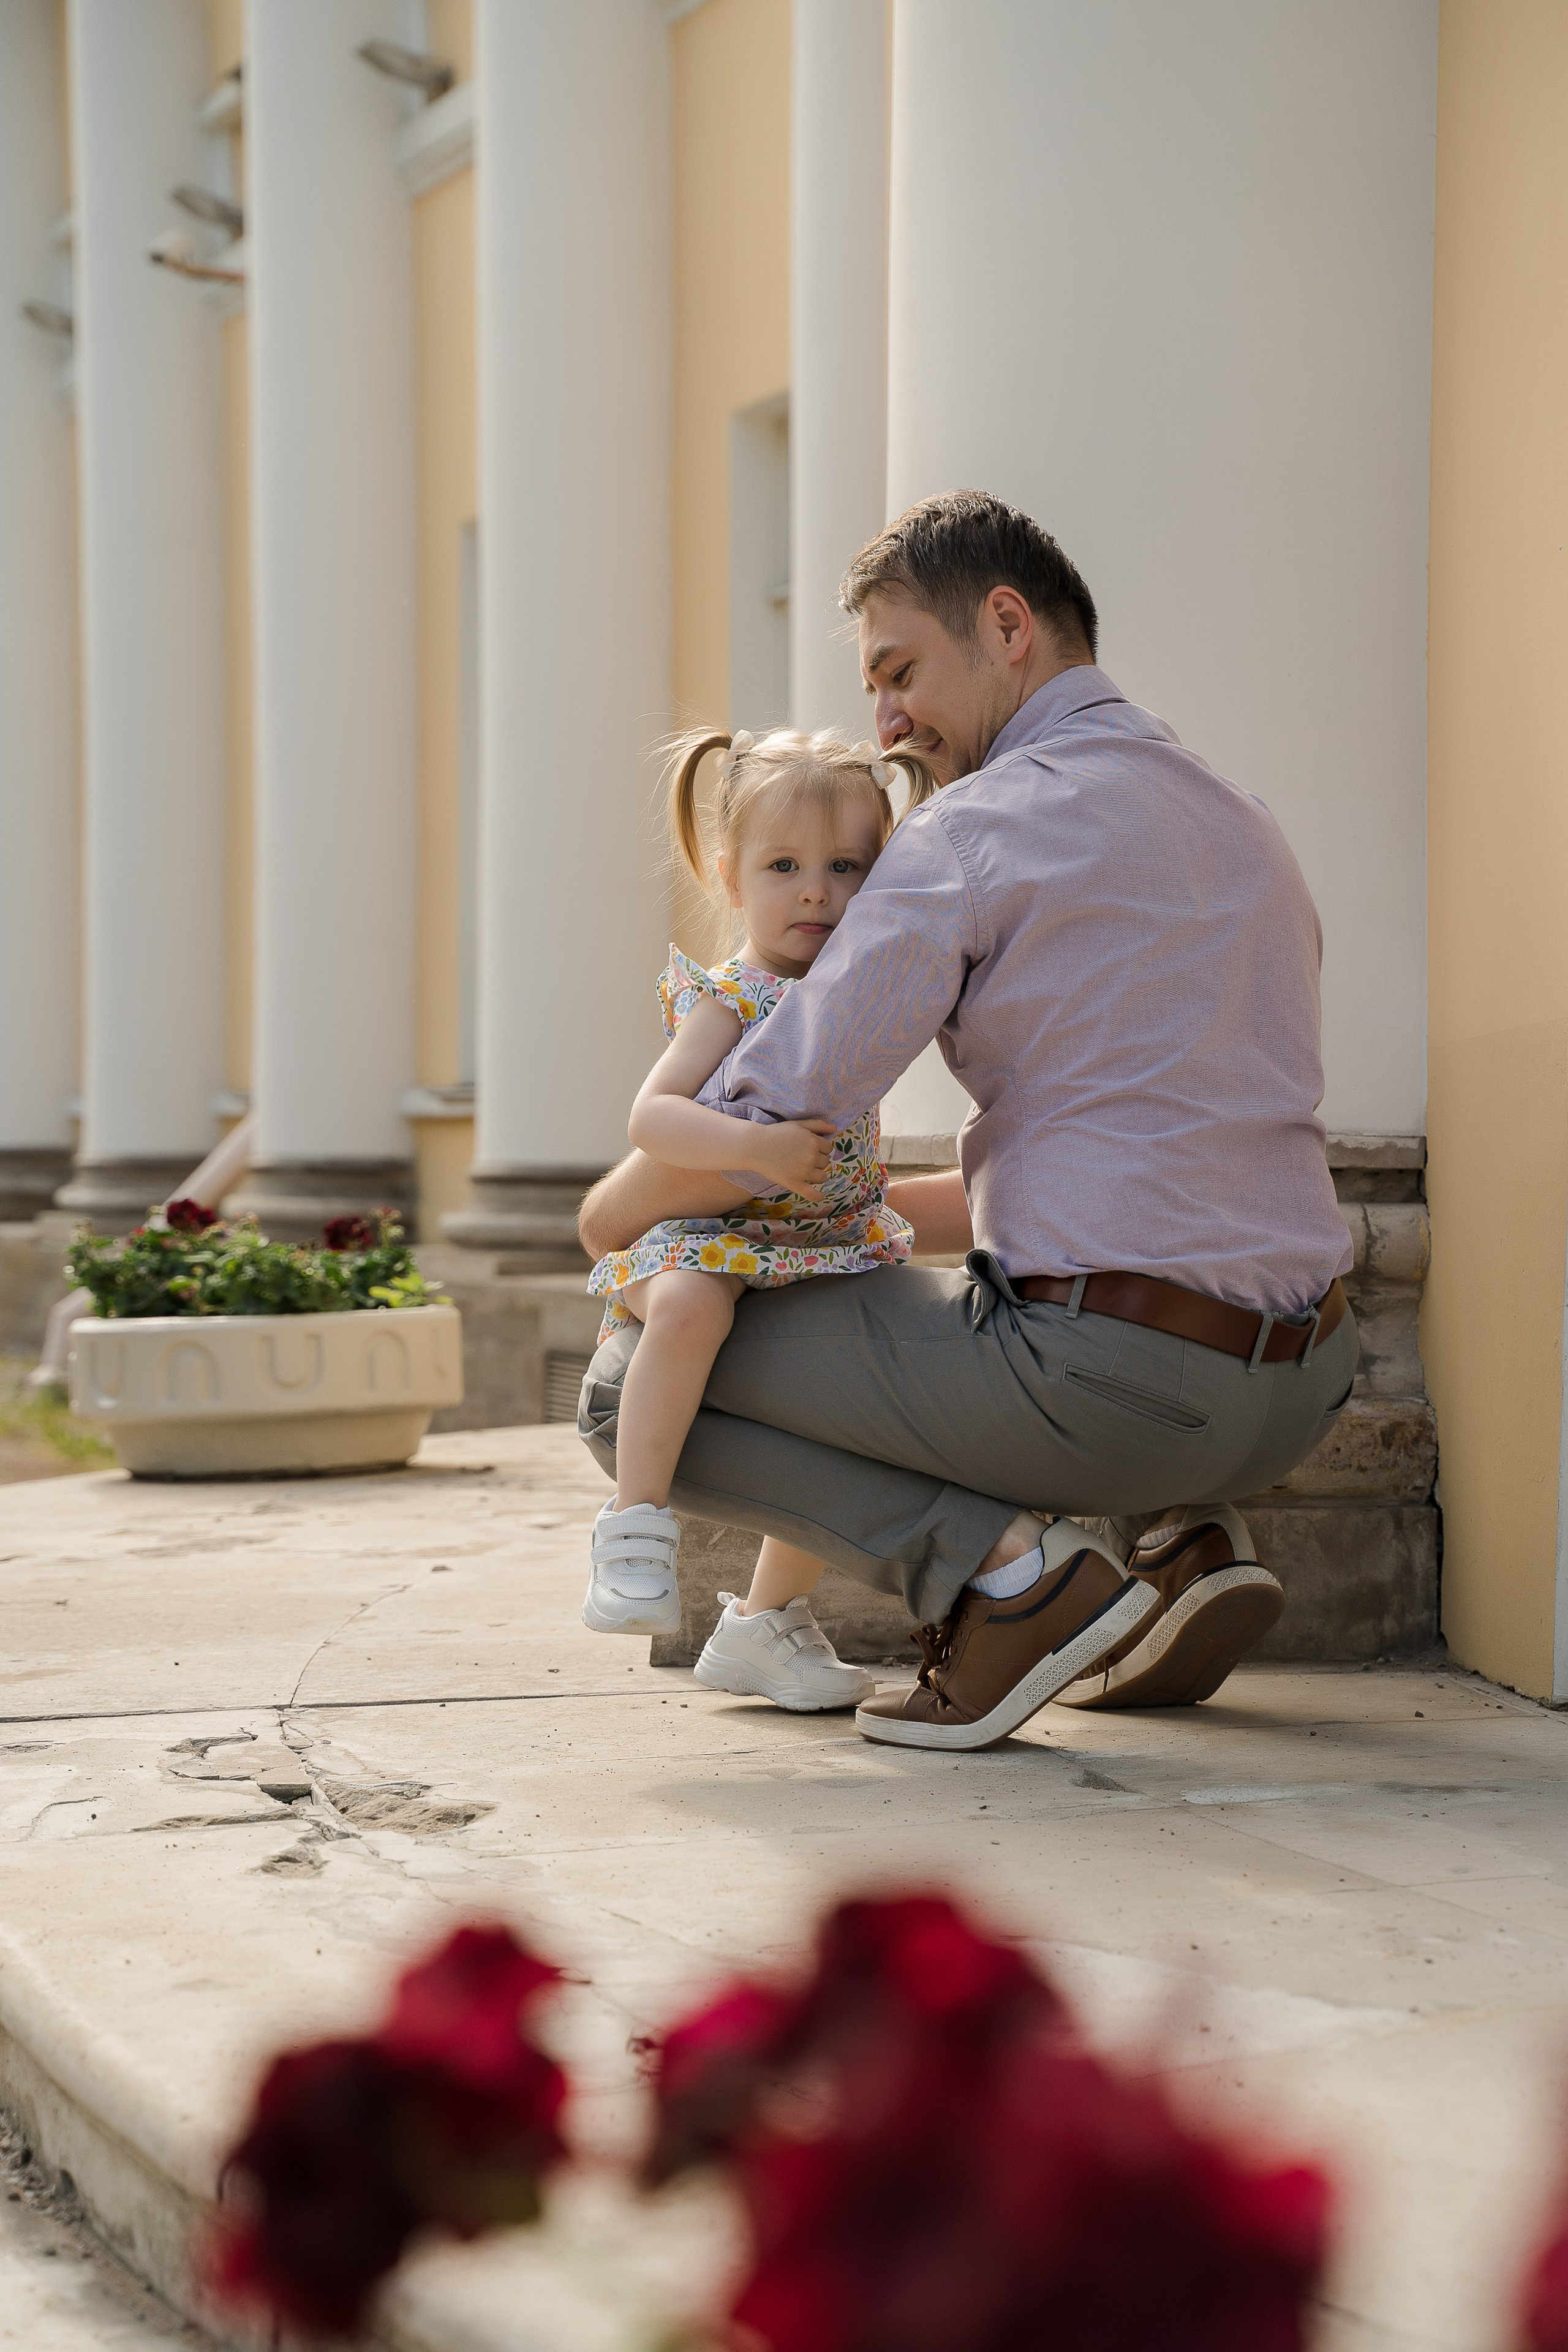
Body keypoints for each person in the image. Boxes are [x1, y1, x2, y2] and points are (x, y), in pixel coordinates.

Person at [578, 491, 1357, 1754]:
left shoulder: (969, 835)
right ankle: (1175, 1540)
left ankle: (1015, 1582)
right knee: (959, 1290)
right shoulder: (1238, 818)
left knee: (628, 1382)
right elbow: (1139, 1147)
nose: (885, 721)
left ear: (1005, 626)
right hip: (1303, 1379)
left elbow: (769, 1107)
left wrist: (607, 1215)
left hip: (1117, 1389)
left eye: (898, 674)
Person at [582, 723, 949, 1716]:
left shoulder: (856, 996)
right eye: (784, 866)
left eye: (845, 867)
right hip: (707, 1239)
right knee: (693, 1309)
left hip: (815, 1251)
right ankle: (634, 1526)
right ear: (729, 876)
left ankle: (767, 1623)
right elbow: (651, 1118)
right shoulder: (735, 996)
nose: (817, 892)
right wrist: (752, 1150)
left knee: (848, 1418)